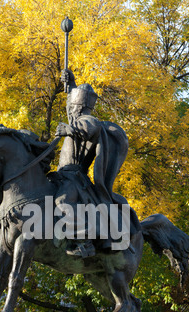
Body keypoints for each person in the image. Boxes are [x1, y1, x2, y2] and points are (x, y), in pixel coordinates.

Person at [54, 70, 138, 257]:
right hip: (60, 175)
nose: (71, 109)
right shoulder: (75, 118)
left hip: (74, 178)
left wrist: (69, 129)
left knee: (62, 201)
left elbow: (88, 129)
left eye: (73, 105)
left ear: (80, 106)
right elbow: (71, 109)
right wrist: (70, 82)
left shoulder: (88, 121)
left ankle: (85, 242)